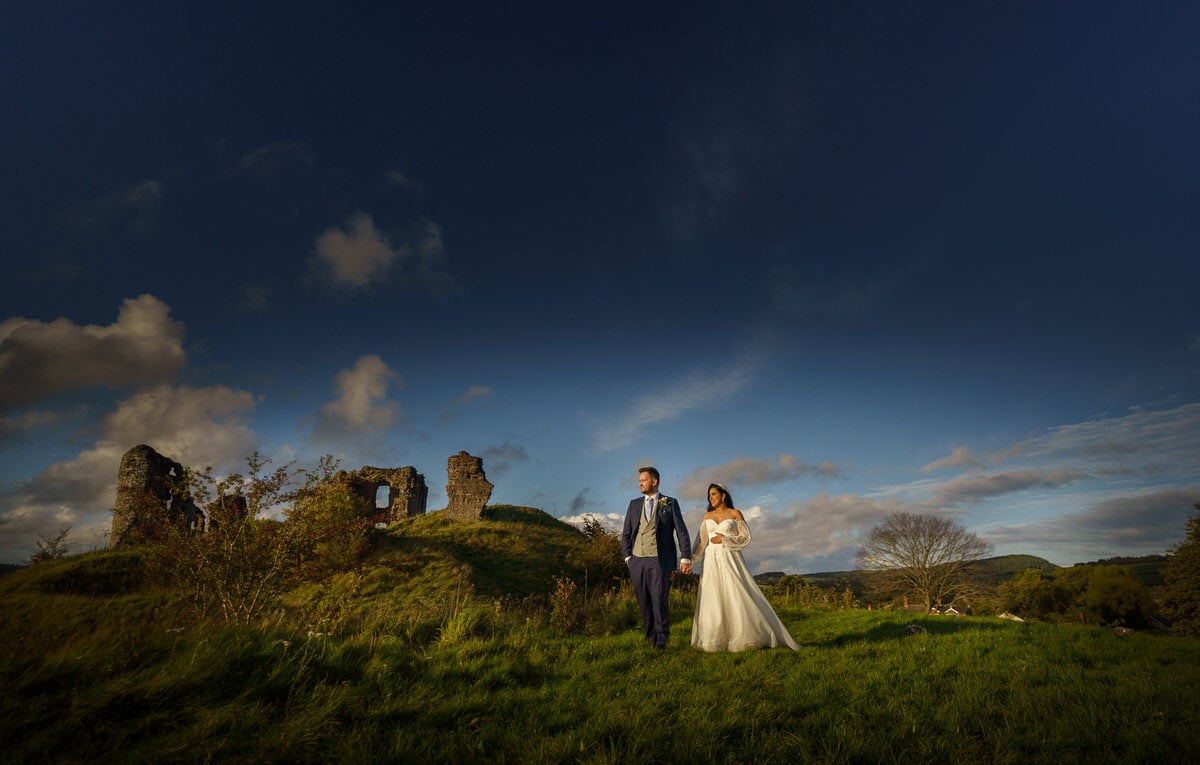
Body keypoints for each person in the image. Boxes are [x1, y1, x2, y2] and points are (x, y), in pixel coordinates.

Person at [690, 482, 799, 652]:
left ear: (723, 495)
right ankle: (714, 639)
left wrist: (725, 539)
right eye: (709, 496)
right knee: (713, 596)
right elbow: (701, 542)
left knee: (735, 593)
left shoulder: (735, 514)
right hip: (711, 560)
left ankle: (743, 635)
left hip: (729, 558)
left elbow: (745, 537)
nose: (711, 498)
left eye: (714, 494)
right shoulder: (706, 517)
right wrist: (690, 561)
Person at [621, 466, 693, 649]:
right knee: (643, 600)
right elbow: (626, 533)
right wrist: (628, 557)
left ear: (654, 481)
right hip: (637, 559)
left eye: (643, 480)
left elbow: (681, 532)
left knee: (659, 599)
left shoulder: (669, 502)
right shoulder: (634, 504)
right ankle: (649, 635)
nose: (640, 483)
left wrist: (685, 557)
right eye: (639, 480)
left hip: (659, 559)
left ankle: (661, 640)